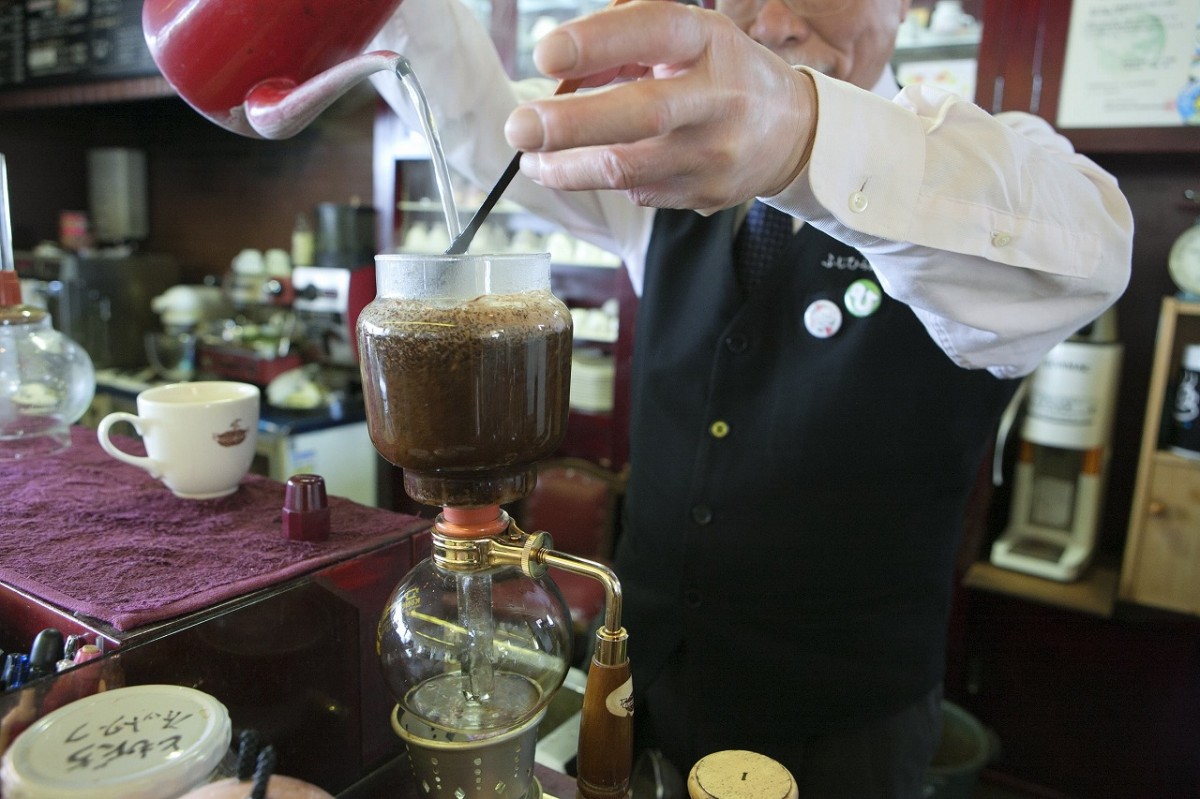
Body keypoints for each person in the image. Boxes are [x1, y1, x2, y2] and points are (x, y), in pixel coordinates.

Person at [370, 0, 1133, 795]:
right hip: (648, 679)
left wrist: (807, 137)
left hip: (845, 727)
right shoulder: (662, 176)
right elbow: (483, 119)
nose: (772, 13)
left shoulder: (983, 164)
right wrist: (381, 19)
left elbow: (1093, 249)